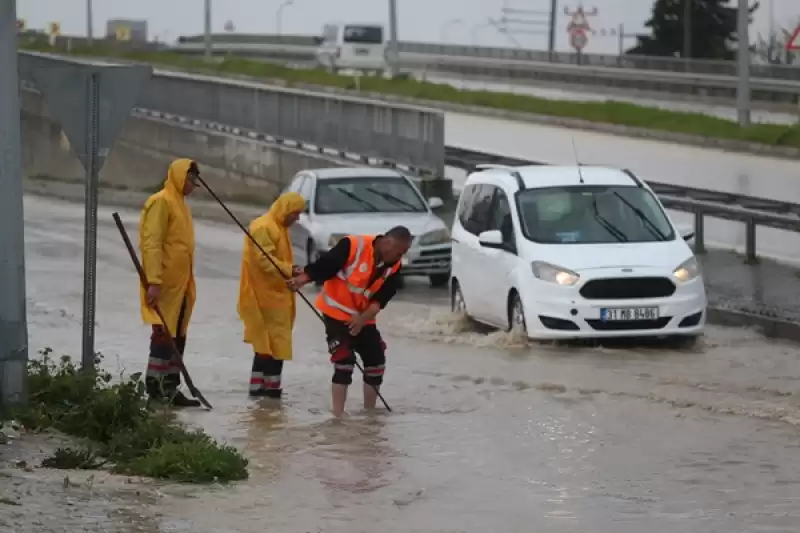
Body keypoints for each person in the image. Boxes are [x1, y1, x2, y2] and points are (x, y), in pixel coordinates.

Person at [287, 226, 413, 417]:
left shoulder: (394, 267)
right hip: (335, 312)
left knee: (376, 360)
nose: (401, 256)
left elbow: (381, 300)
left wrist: (362, 320)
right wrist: (302, 279)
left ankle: (369, 414)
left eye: (404, 253)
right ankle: (338, 416)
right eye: (400, 251)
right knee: (344, 361)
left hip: (363, 317)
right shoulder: (353, 245)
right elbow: (325, 266)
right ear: (388, 243)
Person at [139, 158, 201, 407]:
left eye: (196, 180)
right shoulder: (161, 202)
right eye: (191, 179)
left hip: (183, 284)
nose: (194, 185)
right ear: (179, 177)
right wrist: (153, 281)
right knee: (163, 335)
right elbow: (151, 243)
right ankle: (155, 391)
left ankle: (171, 389)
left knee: (178, 336)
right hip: (163, 285)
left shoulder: (182, 206)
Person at [238, 192, 306, 399]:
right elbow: (264, 261)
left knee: (268, 343)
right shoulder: (264, 227)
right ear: (285, 209)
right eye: (295, 213)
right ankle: (270, 391)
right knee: (274, 344)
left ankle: (259, 388)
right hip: (265, 297)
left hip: (276, 294)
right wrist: (290, 270)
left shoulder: (278, 228)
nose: (297, 218)